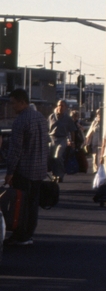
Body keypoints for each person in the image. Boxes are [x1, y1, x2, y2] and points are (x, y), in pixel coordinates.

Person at [3, 89, 49, 246]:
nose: (12, 106)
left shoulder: (21, 121)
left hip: (24, 169)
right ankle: (29, 234)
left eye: (14, 103)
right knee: (33, 204)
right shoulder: (41, 118)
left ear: (22, 102)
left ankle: (20, 234)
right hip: (39, 168)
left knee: (20, 204)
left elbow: (15, 149)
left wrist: (10, 172)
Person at [47, 99, 77, 182]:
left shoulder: (68, 118)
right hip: (52, 138)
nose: (60, 107)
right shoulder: (51, 117)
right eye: (59, 105)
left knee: (58, 156)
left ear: (65, 107)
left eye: (62, 105)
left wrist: (72, 142)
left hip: (62, 138)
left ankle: (60, 174)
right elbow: (47, 129)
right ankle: (54, 174)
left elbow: (72, 131)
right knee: (51, 157)